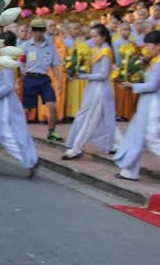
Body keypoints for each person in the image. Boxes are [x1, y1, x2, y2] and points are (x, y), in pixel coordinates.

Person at [0, 31, 39, 177]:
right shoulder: (0, 60)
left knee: (7, 134)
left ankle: (30, 161)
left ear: (4, 44)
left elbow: (9, 86)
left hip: (5, 104)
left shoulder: (6, 63)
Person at [62, 24, 116, 160]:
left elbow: (103, 75)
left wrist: (83, 76)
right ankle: (116, 144)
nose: (93, 39)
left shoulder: (106, 51)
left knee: (89, 119)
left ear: (103, 37)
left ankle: (76, 148)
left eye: (95, 36)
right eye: (91, 36)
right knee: (99, 118)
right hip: (93, 87)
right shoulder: (98, 49)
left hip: (99, 89)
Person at [113, 30, 160, 180]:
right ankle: (129, 171)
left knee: (151, 138)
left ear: (158, 46)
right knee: (136, 135)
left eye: (149, 46)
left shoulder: (158, 63)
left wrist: (133, 86)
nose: (146, 49)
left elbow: (153, 86)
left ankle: (129, 170)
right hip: (147, 102)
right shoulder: (153, 61)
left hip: (154, 103)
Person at [20, 18, 63, 142]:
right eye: (35, 30)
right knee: (27, 108)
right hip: (30, 78)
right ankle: (21, 132)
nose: (38, 33)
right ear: (32, 31)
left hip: (44, 78)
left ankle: (52, 131)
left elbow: (54, 65)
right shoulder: (26, 46)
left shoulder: (50, 46)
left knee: (52, 105)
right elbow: (20, 64)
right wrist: (21, 79)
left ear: (44, 30)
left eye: (40, 30)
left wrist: (59, 82)